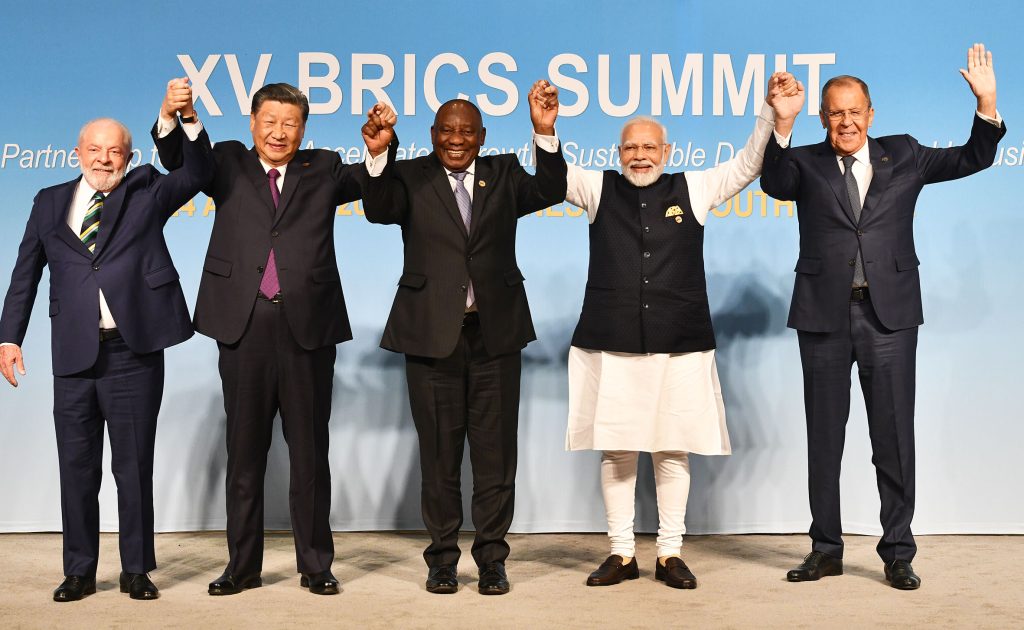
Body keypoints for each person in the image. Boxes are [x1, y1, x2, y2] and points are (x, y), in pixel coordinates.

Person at [760, 44, 1004, 590]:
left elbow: (973, 157)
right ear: (824, 118)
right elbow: (773, 183)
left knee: (892, 437)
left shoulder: (906, 154)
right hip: (824, 317)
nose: (846, 121)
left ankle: (897, 551)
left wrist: (987, 104)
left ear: (871, 114)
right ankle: (825, 548)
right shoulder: (803, 161)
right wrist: (782, 123)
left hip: (889, 318)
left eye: (855, 111)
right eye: (835, 113)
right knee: (824, 438)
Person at [548, 73, 802, 589]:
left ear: (667, 150)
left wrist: (775, 116)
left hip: (681, 342)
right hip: (611, 341)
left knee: (672, 447)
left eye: (649, 147)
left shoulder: (696, 186)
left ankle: (669, 553)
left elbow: (750, 163)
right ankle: (621, 552)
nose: (640, 156)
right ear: (618, 152)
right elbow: (553, 176)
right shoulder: (598, 187)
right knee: (617, 449)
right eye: (630, 148)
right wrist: (546, 129)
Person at [152, 82, 396, 596]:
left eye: (290, 123)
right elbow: (180, 160)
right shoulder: (226, 162)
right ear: (251, 122)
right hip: (243, 324)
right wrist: (181, 117)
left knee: (309, 453)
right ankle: (241, 566)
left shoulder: (324, 166)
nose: (279, 133)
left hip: (307, 326)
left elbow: (375, 196)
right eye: (270, 122)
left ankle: (315, 564)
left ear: (303, 128)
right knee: (244, 453)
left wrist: (378, 151)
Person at [0, 81, 212, 602]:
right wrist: (9, 338)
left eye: (115, 150)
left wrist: (179, 115)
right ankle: (79, 571)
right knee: (76, 467)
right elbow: (25, 274)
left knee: (133, 467)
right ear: (77, 153)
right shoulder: (48, 202)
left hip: (132, 351)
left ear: (129, 154)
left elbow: (201, 173)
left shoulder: (146, 190)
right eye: (94, 150)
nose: (104, 159)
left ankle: (136, 569)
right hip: (73, 353)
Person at [359, 87, 567, 595]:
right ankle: (442, 560)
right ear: (432, 136)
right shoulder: (410, 175)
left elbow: (552, 189)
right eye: (447, 131)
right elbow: (378, 208)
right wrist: (380, 150)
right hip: (431, 337)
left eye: (467, 131)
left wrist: (544, 130)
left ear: (482, 137)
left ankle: (493, 560)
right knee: (439, 458)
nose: (456, 139)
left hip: (495, 336)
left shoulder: (506, 174)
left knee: (495, 459)